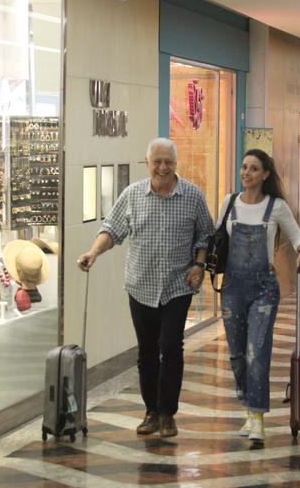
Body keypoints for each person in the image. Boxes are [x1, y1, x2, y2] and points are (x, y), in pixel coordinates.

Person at [77, 137, 214, 438]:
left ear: (176, 164)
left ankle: (168, 413)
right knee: (147, 352)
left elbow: (206, 234)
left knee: (171, 348)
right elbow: (111, 230)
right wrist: (93, 253)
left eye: (168, 162)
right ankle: (151, 411)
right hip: (141, 285)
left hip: (178, 286)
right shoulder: (132, 195)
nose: (162, 168)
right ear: (148, 163)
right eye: (157, 162)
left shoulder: (192, 195)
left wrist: (199, 264)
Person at [217, 148, 300, 448]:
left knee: (257, 353)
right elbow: (217, 237)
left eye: (253, 168)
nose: (246, 173)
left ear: (265, 174)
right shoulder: (229, 203)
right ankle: (248, 404)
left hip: (263, 290)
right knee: (236, 355)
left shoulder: (276, 206)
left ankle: (257, 417)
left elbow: (297, 235)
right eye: (244, 167)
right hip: (231, 287)